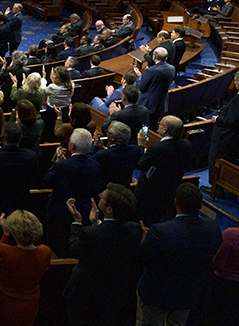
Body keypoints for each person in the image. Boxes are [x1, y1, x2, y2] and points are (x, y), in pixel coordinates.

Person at [137, 183, 222, 326]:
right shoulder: (212, 227)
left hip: (158, 294)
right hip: (188, 293)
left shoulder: (160, 231)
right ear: (200, 205)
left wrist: (145, 237)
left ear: (175, 202)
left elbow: (144, 257)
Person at [64, 183, 143, 326]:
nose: (100, 194)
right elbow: (109, 239)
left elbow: (75, 250)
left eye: (103, 196)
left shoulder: (90, 234)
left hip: (88, 298)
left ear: (109, 209)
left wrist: (77, 222)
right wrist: (97, 223)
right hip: (118, 297)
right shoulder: (135, 229)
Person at [43, 128, 102, 257]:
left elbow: (46, 181)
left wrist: (57, 162)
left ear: (72, 145)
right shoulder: (96, 166)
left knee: (58, 248)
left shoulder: (61, 166)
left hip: (60, 214)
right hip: (84, 212)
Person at [0, 122, 39, 246]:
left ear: (2, 137)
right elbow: (34, 181)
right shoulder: (31, 156)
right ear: (20, 137)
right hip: (21, 205)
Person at [0, 210, 51, 326]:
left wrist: (5, 234)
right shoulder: (45, 252)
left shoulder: (5, 251)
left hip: (4, 301)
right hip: (30, 302)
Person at [135, 115, 192, 226]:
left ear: (165, 129)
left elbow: (140, 164)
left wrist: (141, 146)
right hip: (171, 189)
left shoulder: (157, 149)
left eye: (159, 124)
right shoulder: (187, 145)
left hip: (150, 194)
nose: (158, 126)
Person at [205, 70, 239, 198]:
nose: (235, 84)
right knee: (232, 160)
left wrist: (217, 119)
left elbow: (231, 121)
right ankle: (228, 186)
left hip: (227, 136)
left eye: (236, 82)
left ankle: (216, 189)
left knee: (217, 159)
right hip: (238, 137)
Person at [91, 121, 142, 188]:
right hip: (124, 188)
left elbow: (88, 163)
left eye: (108, 132)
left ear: (113, 138)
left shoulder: (102, 155)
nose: (106, 133)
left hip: (106, 190)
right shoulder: (135, 150)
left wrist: (94, 146)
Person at [135, 47, 174, 127]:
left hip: (148, 104)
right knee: (154, 124)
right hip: (161, 103)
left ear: (154, 57)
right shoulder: (172, 68)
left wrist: (139, 76)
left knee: (145, 126)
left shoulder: (151, 71)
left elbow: (141, 87)